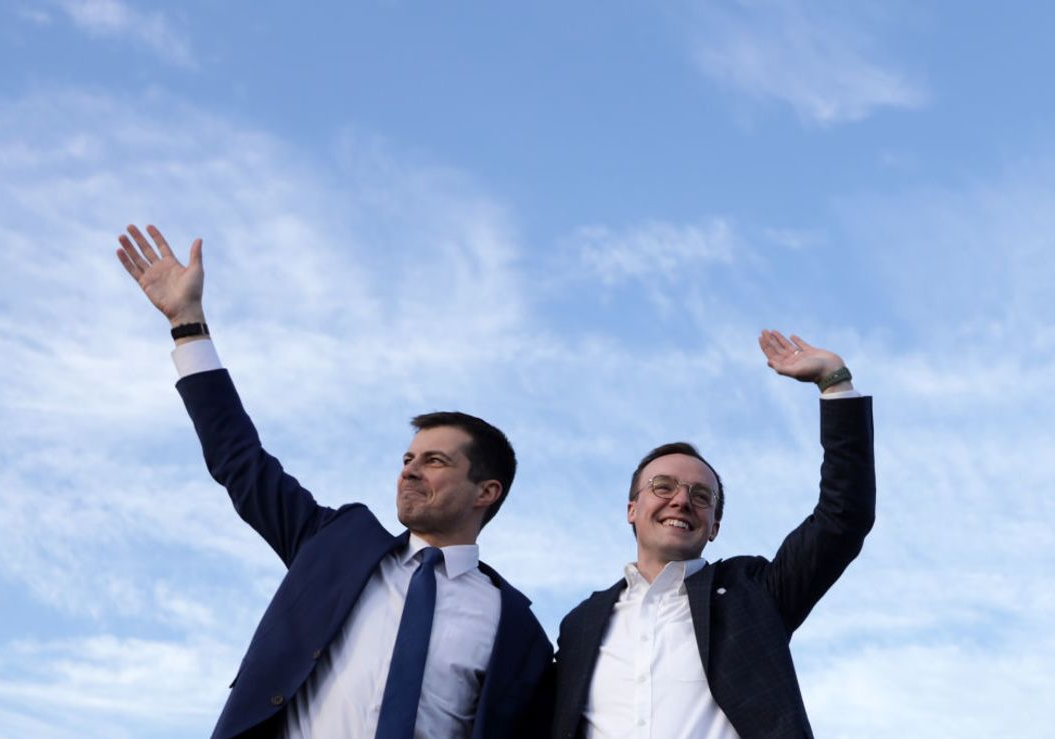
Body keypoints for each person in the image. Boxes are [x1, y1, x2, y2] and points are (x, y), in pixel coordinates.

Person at [115, 224, 553, 739]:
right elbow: (240, 460)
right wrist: (188, 324)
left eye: (434, 460)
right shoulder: (336, 542)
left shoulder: (516, 629)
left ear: (487, 491)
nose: (409, 470)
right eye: (407, 458)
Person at [551, 330, 875, 739]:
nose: (681, 501)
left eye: (701, 495)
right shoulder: (581, 623)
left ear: (715, 526)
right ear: (632, 509)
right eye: (663, 487)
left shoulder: (755, 594)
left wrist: (834, 382)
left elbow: (842, 517)